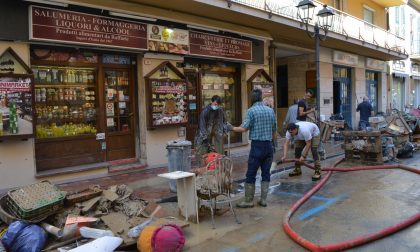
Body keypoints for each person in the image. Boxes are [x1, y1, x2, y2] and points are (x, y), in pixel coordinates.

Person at [231, 89, 277, 208]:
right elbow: (274, 131)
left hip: (257, 147)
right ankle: (263, 200)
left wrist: (230, 128)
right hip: (269, 146)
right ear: (261, 98)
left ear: (252, 99)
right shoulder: (270, 110)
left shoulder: (251, 111)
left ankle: (248, 201)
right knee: (266, 174)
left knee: (251, 174)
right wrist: (274, 145)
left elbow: (243, 128)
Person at [195, 95, 230, 166]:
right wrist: (204, 138)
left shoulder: (220, 110)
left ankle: (219, 170)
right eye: (215, 104)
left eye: (218, 105)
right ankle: (201, 172)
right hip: (204, 136)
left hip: (217, 134)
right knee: (203, 155)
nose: (216, 106)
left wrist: (225, 131)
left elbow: (224, 122)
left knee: (219, 154)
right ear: (212, 102)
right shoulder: (205, 111)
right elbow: (202, 126)